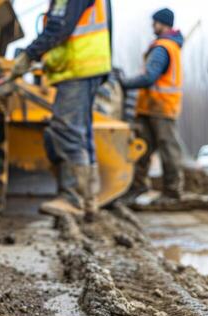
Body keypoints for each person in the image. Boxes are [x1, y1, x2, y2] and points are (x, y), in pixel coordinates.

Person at [10, 0, 112, 220]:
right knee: (81, 134)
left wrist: (29, 55)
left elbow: (59, 26)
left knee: (66, 130)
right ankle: (88, 200)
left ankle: (73, 198)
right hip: (87, 66)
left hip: (78, 67)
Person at [120, 8, 185, 202]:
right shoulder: (166, 46)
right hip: (151, 107)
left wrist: (124, 83)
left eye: (154, 22)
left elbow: (149, 77)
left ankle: (172, 192)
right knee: (143, 148)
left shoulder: (162, 48)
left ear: (162, 24)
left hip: (161, 107)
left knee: (168, 149)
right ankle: (137, 187)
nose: (152, 25)